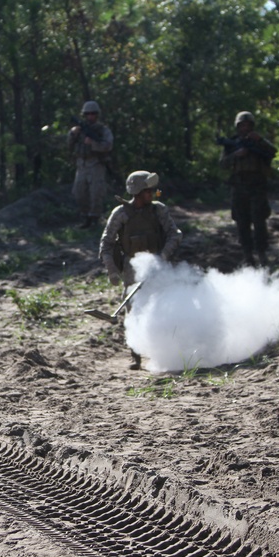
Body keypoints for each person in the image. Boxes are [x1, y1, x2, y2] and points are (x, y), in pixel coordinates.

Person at [99, 171, 182, 370]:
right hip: (131, 268)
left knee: (163, 307)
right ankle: (135, 356)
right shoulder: (121, 214)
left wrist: (162, 257)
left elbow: (175, 234)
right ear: (137, 192)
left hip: (158, 266)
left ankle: (165, 352)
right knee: (133, 309)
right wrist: (112, 270)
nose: (152, 194)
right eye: (148, 191)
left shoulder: (158, 210)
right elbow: (106, 243)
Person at [219, 111, 277, 267]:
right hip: (239, 185)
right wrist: (236, 155)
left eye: (248, 125)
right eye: (242, 125)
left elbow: (274, 153)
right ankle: (247, 255)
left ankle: (262, 253)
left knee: (259, 220)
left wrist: (260, 140)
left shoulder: (259, 141)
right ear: (237, 127)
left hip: (257, 185)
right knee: (241, 221)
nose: (245, 128)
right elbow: (223, 164)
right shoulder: (231, 143)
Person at [68, 100, 114, 228]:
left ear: (97, 115)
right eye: (88, 114)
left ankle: (94, 218)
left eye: (93, 114)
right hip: (82, 164)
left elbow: (108, 145)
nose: (90, 116)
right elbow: (68, 144)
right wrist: (73, 134)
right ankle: (85, 217)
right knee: (79, 192)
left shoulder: (103, 130)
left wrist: (93, 143)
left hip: (96, 164)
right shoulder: (79, 129)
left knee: (96, 193)